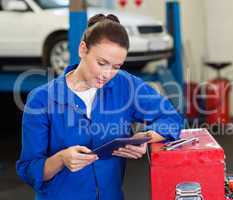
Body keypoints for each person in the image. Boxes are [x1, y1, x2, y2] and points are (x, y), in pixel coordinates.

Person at [16, 14, 183, 200]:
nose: (107, 74)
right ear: (82, 49)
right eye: (101, 63)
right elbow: (28, 169)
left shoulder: (126, 86)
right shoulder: (42, 99)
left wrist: (145, 137)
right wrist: (61, 159)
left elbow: (172, 118)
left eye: (116, 66)